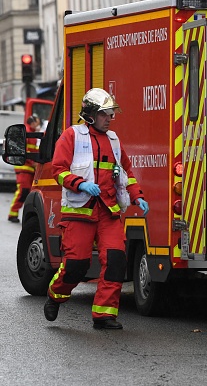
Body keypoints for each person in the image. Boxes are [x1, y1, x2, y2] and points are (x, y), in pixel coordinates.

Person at [44, 88, 149, 330]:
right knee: (75, 265)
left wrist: (137, 196)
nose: (110, 118)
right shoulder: (72, 136)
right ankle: (55, 295)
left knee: (115, 260)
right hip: (80, 212)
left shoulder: (113, 139)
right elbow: (58, 171)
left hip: (108, 211)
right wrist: (81, 184)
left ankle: (104, 314)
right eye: (105, 114)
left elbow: (126, 174)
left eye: (111, 114)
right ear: (90, 115)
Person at [8, 114, 41, 223]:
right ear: (33, 122)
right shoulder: (27, 133)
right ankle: (12, 213)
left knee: (28, 192)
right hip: (24, 167)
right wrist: (34, 162)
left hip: (28, 168)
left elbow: (32, 150)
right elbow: (25, 152)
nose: (39, 124)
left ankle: (19, 213)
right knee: (23, 191)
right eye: (38, 122)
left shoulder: (31, 133)